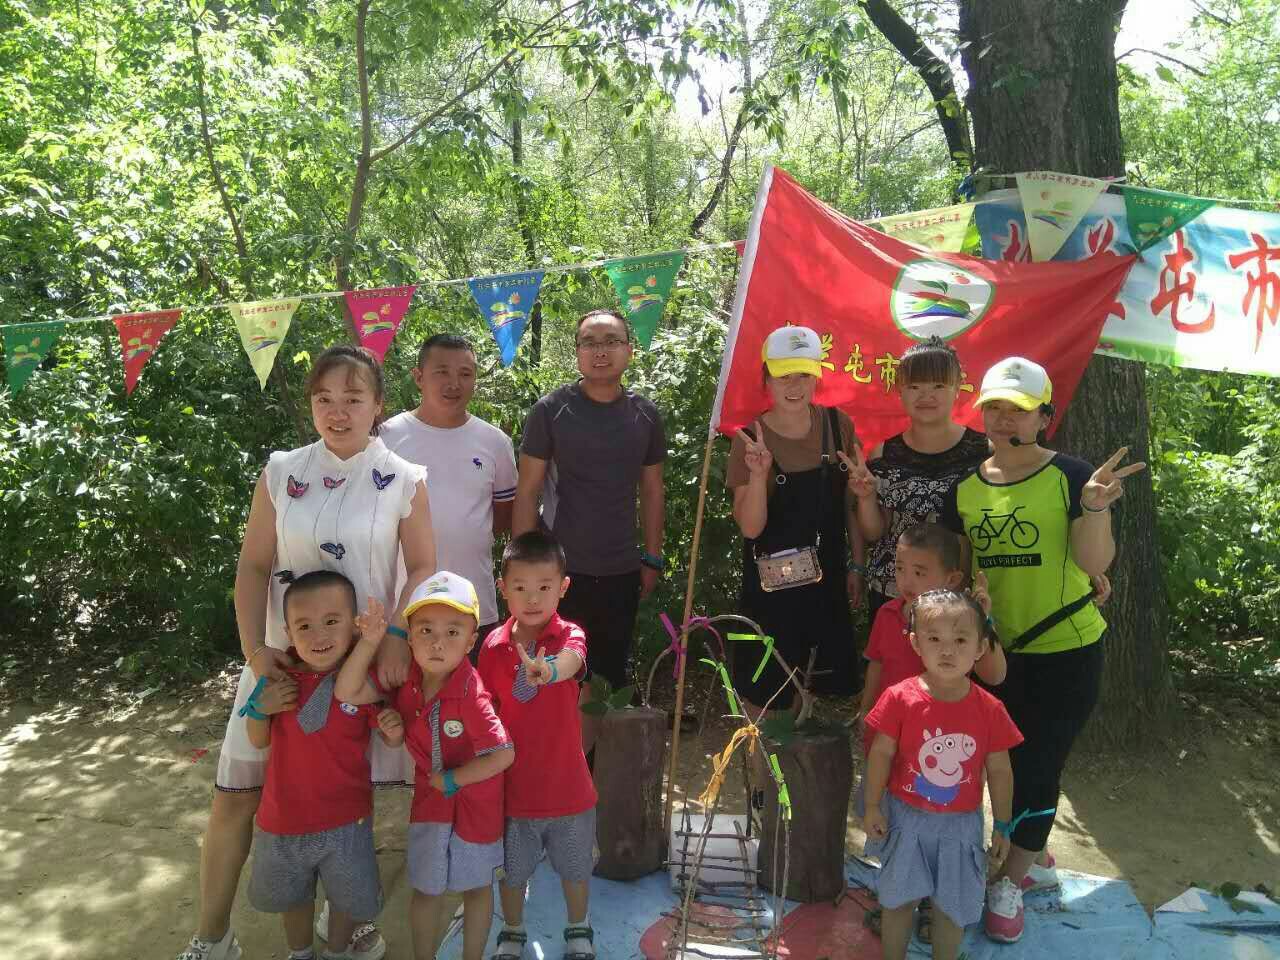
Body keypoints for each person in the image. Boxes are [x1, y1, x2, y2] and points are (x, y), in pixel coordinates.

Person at [177, 344, 435, 960]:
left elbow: (424, 565)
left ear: (379, 404)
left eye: (353, 398)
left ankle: (344, 916)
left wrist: (397, 635)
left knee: (346, 795)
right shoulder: (281, 472)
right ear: (311, 404)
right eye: (324, 399)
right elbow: (253, 565)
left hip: (359, 669)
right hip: (282, 665)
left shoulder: (404, 478)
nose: (338, 412)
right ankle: (212, 937)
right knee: (237, 797)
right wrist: (255, 652)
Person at [938, 356, 1146, 943]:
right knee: (990, 764)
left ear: (1044, 417)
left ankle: (1011, 880)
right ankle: (1024, 847)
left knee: (1039, 765)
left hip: (1065, 649)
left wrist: (1095, 507)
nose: (1005, 419)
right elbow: (962, 569)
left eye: (1020, 409)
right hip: (992, 654)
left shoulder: (1074, 475)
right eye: (995, 407)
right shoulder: (965, 488)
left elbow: (1093, 561)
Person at [336, 571, 514, 960]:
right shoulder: (406, 679)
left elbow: (503, 754)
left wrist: (454, 779)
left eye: (453, 632)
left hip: (476, 809)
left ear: (471, 640)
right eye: (426, 630)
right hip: (431, 807)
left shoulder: (472, 694)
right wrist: (371, 643)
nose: (437, 642)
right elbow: (346, 691)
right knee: (426, 888)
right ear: (409, 636)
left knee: (476, 889)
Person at [512, 308, 666, 751]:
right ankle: (549, 763)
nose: (601, 351)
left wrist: (652, 556)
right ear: (577, 352)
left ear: (629, 350)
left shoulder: (644, 415)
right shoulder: (551, 411)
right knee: (551, 670)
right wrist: (521, 568)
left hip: (621, 568)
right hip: (559, 570)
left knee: (603, 676)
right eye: (590, 343)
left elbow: (652, 490)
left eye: (611, 341)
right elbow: (528, 491)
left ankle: (587, 767)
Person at [244, 571, 405, 960]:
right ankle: (300, 953)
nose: (319, 636)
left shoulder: (362, 681)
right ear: (288, 632)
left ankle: (336, 951)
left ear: (354, 625)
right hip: (284, 818)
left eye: (332, 621)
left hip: (346, 820)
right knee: (293, 899)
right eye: (304, 626)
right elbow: (258, 740)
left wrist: (394, 731)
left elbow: (389, 738)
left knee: (346, 898)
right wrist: (261, 710)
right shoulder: (279, 678)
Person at [863, 589, 1022, 960]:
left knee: (952, 908)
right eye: (935, 639)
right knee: (898, 902)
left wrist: (1002, 824)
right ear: (916, 644)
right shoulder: (899, 698)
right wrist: (871, 806)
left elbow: (1000, 770)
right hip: (904, 820)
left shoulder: (990, 710)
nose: (947, 651)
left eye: (960, 640)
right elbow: (881, 753)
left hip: (961, 828)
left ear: (980, 647)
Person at [727, 324, 864, 710]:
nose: (794, 385)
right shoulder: (749, 439)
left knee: (824, 696)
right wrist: (758, 474)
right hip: (771, 589)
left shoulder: (838, 426)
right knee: (767, 695)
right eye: (783, 375)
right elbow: (750, 527)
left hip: (827, 581)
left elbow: (850, 505)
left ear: (816, 376)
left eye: (803, 374)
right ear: (766, 379)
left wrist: (858, 564)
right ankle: (762, 750)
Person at [478, 531, 598, 960]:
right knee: (511, 873)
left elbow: (573, 660)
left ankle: (579, 928)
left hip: (569, 788)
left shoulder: (570, 635)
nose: (532, 598)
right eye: (521, 587)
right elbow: (484, 709)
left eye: (544, 587)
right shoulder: (491, 647)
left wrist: (548, 670)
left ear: (563, 587)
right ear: (502, 588)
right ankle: (512, 931)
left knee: (575, 868)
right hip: (513, 791)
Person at [382, 334, 518, 653]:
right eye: (441, 372)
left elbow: (502, 517)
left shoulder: (495, 442)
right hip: (401, 611)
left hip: (473, 605)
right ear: (419, 377)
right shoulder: (386, 438)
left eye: (465, 374)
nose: (454, 383)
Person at [846, 336, 989, 624]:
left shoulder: (984, 451)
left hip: (962, 595)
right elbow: (875, 532)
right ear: (900, 391)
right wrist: (866, 498)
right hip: (896, 593)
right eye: (914, 387)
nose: (926, 396)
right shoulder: (884, 453)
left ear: (957, 388)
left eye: (938, 386)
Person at [855, 522, 1007, 755]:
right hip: (888, 727)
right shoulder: (887, 613)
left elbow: (994, 676)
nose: (906, 581)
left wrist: (984, 619)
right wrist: (866, 707)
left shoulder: (960, 623)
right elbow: (877, 663)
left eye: (919, 573)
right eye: (900, 568)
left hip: (938, 734)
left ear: (952, 579)